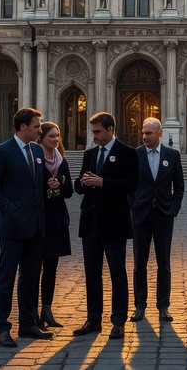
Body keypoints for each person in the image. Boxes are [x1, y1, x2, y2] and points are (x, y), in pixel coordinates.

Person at [0, 107, 54, 348]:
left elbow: (36, 185)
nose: (39, 129)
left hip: (35, 226)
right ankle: (3, 327)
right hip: (11, 226)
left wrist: (50, 186)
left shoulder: (36, 150)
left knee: (31, 277)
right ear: (23, 127)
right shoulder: (2, 151)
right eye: (36, 126)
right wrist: (8, 207)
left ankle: (27, 324)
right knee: (6, 278)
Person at [73, 111, 138, 339]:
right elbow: (79, 185)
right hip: (90, 223)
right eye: (92, 132)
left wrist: (103, 182)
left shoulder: (127, 153)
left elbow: (131, 184)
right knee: (92, 274)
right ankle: (93, 319)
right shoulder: (90, 154)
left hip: (114, 222)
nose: (94, 136)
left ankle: (118, 321)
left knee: (117, 273)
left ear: (110, 130)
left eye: (97, 132)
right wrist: (82, 182)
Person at [130, 117, 183, 323]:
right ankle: (139, 305)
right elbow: (130, 184)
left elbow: (179, 186)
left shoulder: (172, 155)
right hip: (141, 215)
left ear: (159, 133)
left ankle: (163, 306)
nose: (145, 137)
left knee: (164, 263)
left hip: (163, 215)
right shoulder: (135, 155)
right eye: (143, 133)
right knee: (139, 264)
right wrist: (133, 204)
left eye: (149, 133)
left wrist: (173, 208)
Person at [37, 121, 73, 330]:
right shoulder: (35, 159)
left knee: (51, 268)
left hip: (57, 220)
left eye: (57, 135)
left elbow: (69, 192)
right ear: (41, 138)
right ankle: (32, 312)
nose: (56, 139)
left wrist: (60, 185)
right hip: (39, 219)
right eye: (52, 136)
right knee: (34, 267)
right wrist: (45, 187)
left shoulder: (61, 161)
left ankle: (47, 309)